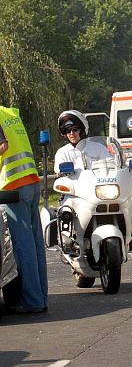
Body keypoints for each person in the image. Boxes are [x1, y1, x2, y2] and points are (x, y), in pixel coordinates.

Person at [0, 106, 48, 314]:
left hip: (14, 185)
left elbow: (2, 145)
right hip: (31, 181)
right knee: (36, 244)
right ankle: (41, 298)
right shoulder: (8, 112)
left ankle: (32, 301)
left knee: (22, 246)